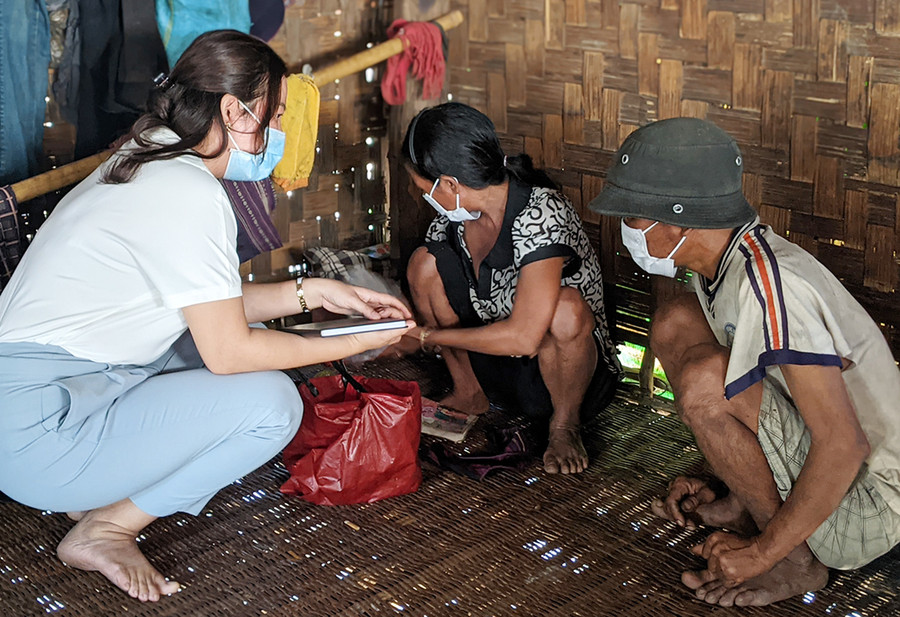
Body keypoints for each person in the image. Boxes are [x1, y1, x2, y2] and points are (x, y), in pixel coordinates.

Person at [0, 30, 412, 603]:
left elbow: (203, 306)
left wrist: (315, 292)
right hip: (41, 434)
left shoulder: (145, 152)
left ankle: (90, 488)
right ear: (231, 109)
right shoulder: (187, 191)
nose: (278, 134)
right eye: (273, 115)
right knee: (273, 406)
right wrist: (354, 341)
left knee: (210, 343)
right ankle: (107, 526)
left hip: (33, 409)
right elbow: (230, 350)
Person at [589, 117, 900, 607]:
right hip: (834, 481)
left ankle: (796, 561)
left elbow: (844, 445)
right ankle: (748, 504)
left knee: (706, 380)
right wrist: (728, 473)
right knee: (674, 323)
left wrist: (760, 553)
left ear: (675, 220)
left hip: (868, 510)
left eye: (630, 217)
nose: (624, 229)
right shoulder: (723, 267)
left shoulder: (771, 286)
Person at [401, 102, 622, 475]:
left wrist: (425, 335)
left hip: (564, 375)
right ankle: (470, 392)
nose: (418, 195)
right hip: (498, 368)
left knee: (566, 309)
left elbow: (523, 338)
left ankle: (565, 426)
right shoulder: (455, 221)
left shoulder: (542, 213)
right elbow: (435, 292)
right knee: (424, 264)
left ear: (451, 184)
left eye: (423, 188)